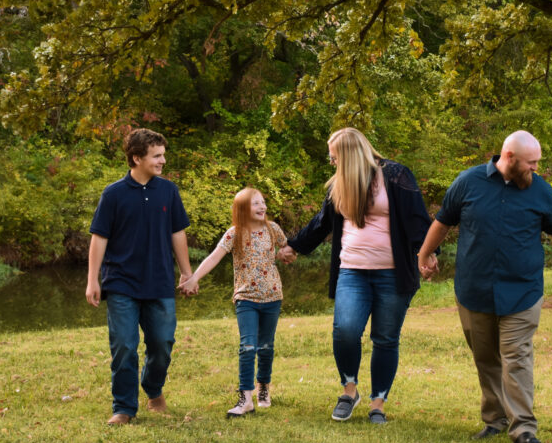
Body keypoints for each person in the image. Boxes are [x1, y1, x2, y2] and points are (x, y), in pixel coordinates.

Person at [417, 131, 552, 443]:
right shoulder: (468, 183)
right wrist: (425, 254)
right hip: (474, 289)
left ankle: (524, 429)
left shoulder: (541, 191)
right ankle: (494, 419)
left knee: (516, 355)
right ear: (509, 157)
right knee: (485, 357)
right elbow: (443, 222)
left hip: (522, 290)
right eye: (531, 163)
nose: (535, 169)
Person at [278, 128, 432, 424]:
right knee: (346, 330)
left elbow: (416, 219)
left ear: (349, 154)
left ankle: (378, 404)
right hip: (352, 271)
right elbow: (322, 222)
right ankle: (349, 390)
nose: (332, 162)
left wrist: (427, 254)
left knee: (385, 338)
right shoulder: (341, 183)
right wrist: (294, 246)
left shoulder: (396, 175)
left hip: (392, 273)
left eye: (334, 156)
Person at [86, 128, 193, 425]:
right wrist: (92, 279)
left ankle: (153, 387)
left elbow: (177, 233)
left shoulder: (168, 191)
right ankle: (123, 407)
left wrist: (187, 273)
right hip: (121, 282)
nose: (162, 161)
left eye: (163, 155)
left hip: (159, 281)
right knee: (124, 345)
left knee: (162, 343)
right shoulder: (113, 194)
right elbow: (99, 238)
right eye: (156, 156)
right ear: (136, 158)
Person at [182, 188, 289, 418]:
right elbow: (213, 257)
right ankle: (246, 398)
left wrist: (287, 255)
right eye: (256, 204)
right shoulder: (234, 234)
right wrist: (193, 278)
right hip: (246, 299)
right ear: (242, 209)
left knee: (266, 347)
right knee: (248, 346)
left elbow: (287, 251)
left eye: (263, 203)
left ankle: (263, 387)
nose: (263, 207)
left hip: (272, 298)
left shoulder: (274, 230)